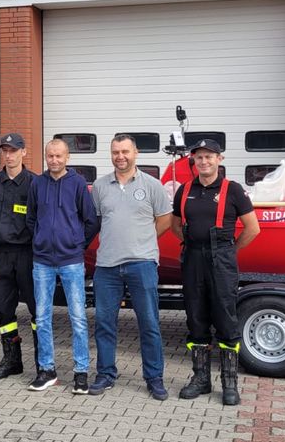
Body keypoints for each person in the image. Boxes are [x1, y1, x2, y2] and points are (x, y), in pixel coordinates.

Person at [171, 139, 260, 405]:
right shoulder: (185, 189)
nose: (204, 161)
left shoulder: (233, 190)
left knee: (225, 320)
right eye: (199, 157)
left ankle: (229, 383)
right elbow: (176, 226)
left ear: (219, 159)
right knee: (196, 318)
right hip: (193, 259)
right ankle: (201, 379)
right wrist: (194, 245)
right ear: (194, 161)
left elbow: (253, 228)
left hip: (221, 259)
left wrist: (229, 250)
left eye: (209, 156)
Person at [89, 134, 173, 400]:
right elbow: (97, 221)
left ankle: (154, 377)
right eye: (115, 152)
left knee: (149, 322)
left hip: (142, 264)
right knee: (104, 323)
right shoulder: (100, 186)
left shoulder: (152, 185)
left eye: (125, 151)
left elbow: (165, 219)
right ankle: (105, 374)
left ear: (135, 153)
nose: (120, 156)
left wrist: (143, 240)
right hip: (107, 267)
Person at [25, 139, 99, 393]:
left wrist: (77, 244)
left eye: (59, 156)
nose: (54, 160)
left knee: (78, 318)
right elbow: (30, 218)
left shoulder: (77, 184)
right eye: (50, 156)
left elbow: (91, 220)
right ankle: (47, 371)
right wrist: (40, 240)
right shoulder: (37, 183)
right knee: (42, 317)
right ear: (46, 157)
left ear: (67, 157)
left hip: (71, 262)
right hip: (42, 261)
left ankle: (81, 372)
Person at [0, 133, 39, 381]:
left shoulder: (35, 183)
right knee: (4, 310)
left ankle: (42, 362)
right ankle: (12, 360)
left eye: (13, 150)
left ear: (23, 152)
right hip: (1, 255)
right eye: (5, 150)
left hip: (28, 255)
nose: (8, 155)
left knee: (37, 310)